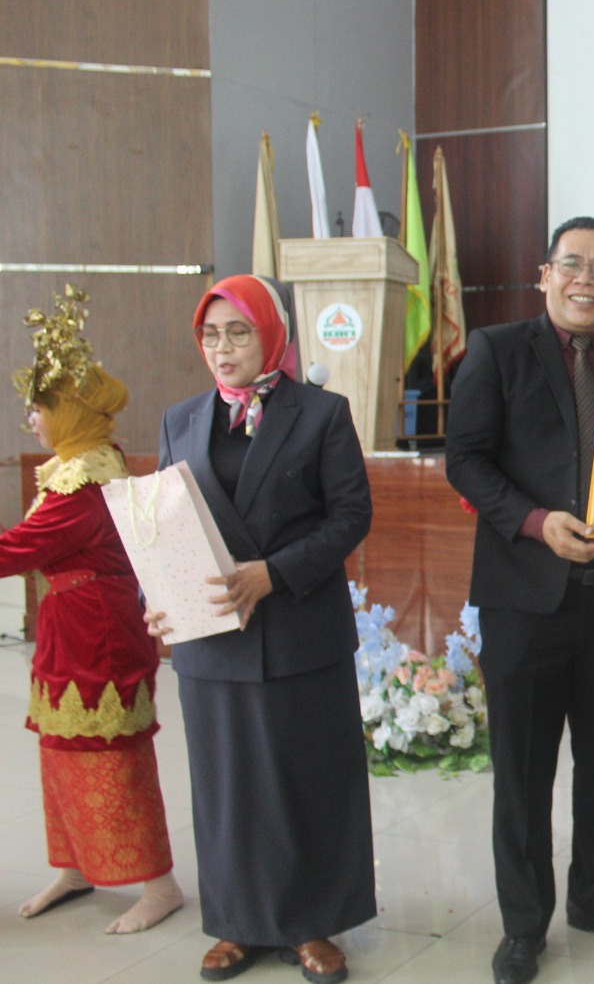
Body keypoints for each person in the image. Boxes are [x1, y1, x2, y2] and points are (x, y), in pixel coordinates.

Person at [445, 217, 594, 984]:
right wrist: (536, 522)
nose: (586, 278)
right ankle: (523, 925)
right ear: (545, 275)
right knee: (522, 773)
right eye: (572, 263)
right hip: (524, 599)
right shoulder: (496, 351)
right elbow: (465, 460)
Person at [149, 274, 373, 984]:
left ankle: (313, 923)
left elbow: (351, 515)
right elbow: (163, 525)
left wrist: (272, 574)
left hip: (299, 625)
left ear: (272, 334)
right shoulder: (181, 419)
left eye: (239, 332)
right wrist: (159, 597)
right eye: (211, 335)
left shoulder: (322, 413)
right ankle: (237, 923)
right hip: (213, 634)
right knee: (227, 785)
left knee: (308, 777)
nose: (223, 349)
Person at [4, 288, 183, 937]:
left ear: (70, 413)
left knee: (111, 757)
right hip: (70, 625)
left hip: (97, 635)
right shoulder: (75, 466)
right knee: (60, 750)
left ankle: (158, 884)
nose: (31, 419)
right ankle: (76, 866)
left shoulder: (82, 485)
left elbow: (16, 550)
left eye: (40, 408)